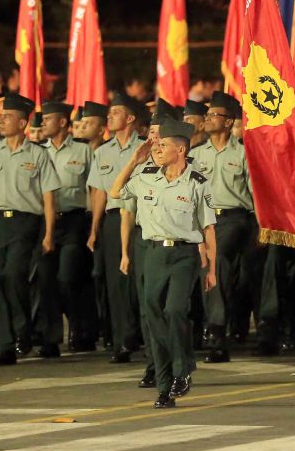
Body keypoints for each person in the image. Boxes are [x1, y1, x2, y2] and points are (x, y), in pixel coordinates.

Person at [111, 119, 217, 408]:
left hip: (184, 255)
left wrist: (212, 270)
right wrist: (134, 160)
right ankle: (164, 385)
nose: (157, 149)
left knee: (174, 309)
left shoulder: (197, 182)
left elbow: (208, 228)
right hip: (154, 254)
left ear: (180, 149)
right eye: (156, 145)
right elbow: (115, 191)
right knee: (154, 316)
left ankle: (182, 370)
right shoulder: (145, 176)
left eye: (163, 145)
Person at [0, 93, 60, 366]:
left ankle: (22, 329)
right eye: (1, 117)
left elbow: (48, 197)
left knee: (14, 275)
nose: (2, 121)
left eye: (7, 117)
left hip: (25, 223)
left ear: (22, 123)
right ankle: (5, 345)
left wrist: (48, 234)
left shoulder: (37, 154)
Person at [188, 91, 252, 363]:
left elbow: (255, 193)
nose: (208, 118)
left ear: (228, 122)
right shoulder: (195, 154)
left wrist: (262, 226)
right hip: (202, 220)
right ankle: (213, 326)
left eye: (214, 114)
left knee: (216, 261)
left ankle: (216, 332)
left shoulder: (243, 152)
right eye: (207, 114)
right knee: (209, 271)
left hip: (234, 218)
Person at [87, 94, 146, 363]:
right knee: (115, 282)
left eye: (116, 112)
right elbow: (99, 192)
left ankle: (145, 336)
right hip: (113, 219)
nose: (109, 117)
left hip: (142, 219)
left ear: (130, 118)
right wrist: (94, 228)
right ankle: (122, 340)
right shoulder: (102, 152)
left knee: (140, 280)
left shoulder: (145, 148)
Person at [37, 101, 95, 356]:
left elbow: (94, 187)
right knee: (46, 280)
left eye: (48, 119)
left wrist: (94, 224)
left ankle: (78, 327)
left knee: (68, 278)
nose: (42, 123)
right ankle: (50, 338)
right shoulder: (39, 151)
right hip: (46, 220)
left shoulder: (83, 150)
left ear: (62, 122)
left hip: (74, 220)